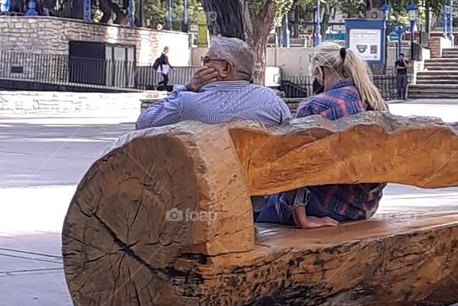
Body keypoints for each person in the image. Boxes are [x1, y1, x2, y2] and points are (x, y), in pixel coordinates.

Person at [257, 43, 387, 229]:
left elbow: (295, 163)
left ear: (319, 71)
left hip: (323, 206)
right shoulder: (376, 103)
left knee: (252, 208)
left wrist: (302, 219)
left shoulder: (315, 106)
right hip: (363, 207)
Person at [136, 36, 291, 130]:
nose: (202, 65)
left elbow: (143, 124)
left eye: (207, 60)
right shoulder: (273, 101)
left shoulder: (186, 103)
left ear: (225, 67)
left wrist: (187, 88)